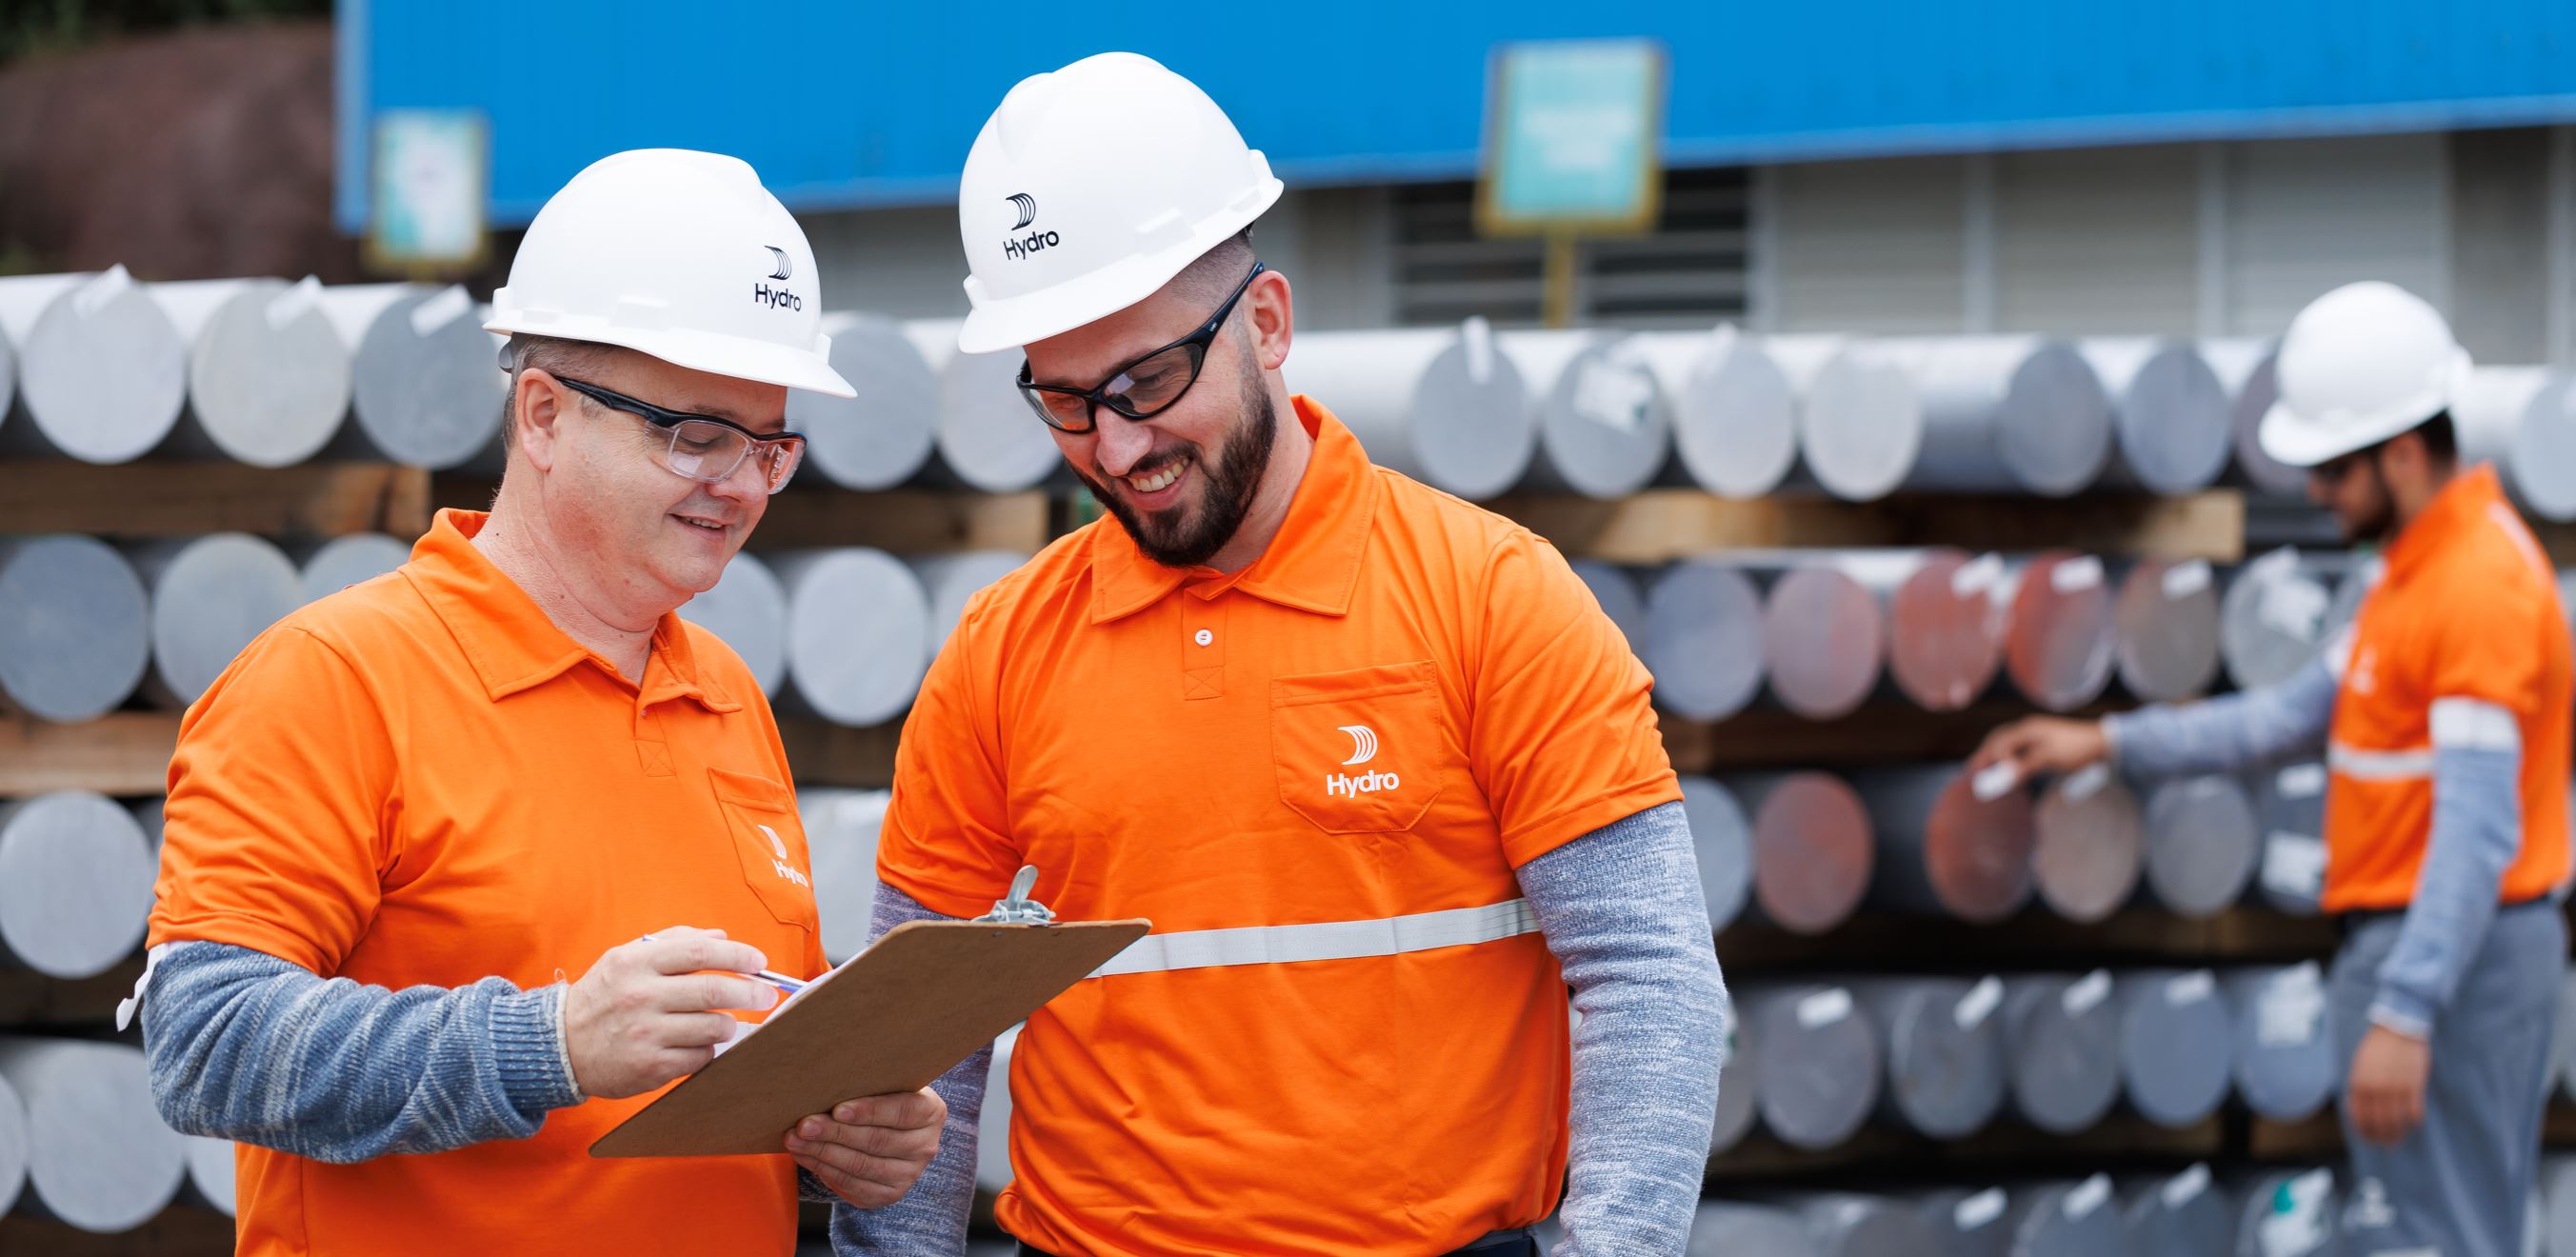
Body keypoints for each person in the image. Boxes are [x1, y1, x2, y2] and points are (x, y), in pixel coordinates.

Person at [833, 53, 1728, 1257]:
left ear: (1264, 323)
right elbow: (911, 1043)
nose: (1115, 446)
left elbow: (1647, 972)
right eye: (1065, 400)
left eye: (1148, 380)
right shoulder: (1001, 651)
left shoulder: (1491, 597)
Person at [137, 149, 945, 1256]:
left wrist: (837, 1132)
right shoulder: (335, 677)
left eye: (768, 445)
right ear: (545, 414)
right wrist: (550, 1045)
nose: (740, 484)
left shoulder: (722, 697)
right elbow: (206, 1042)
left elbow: (711, 1081)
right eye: (696, 435)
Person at [1977, 281, 2570, 1257]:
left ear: (2400, 453)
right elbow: (2289, 716)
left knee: (2437, 1239)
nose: (2316, 492)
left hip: (2453, 963)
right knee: (2424, 1231)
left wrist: (2404, 1009)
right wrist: (2109, 741)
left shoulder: (2476, 587)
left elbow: (2475, 828)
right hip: (2427, 951)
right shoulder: (2414, 573)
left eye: (2332, 470)